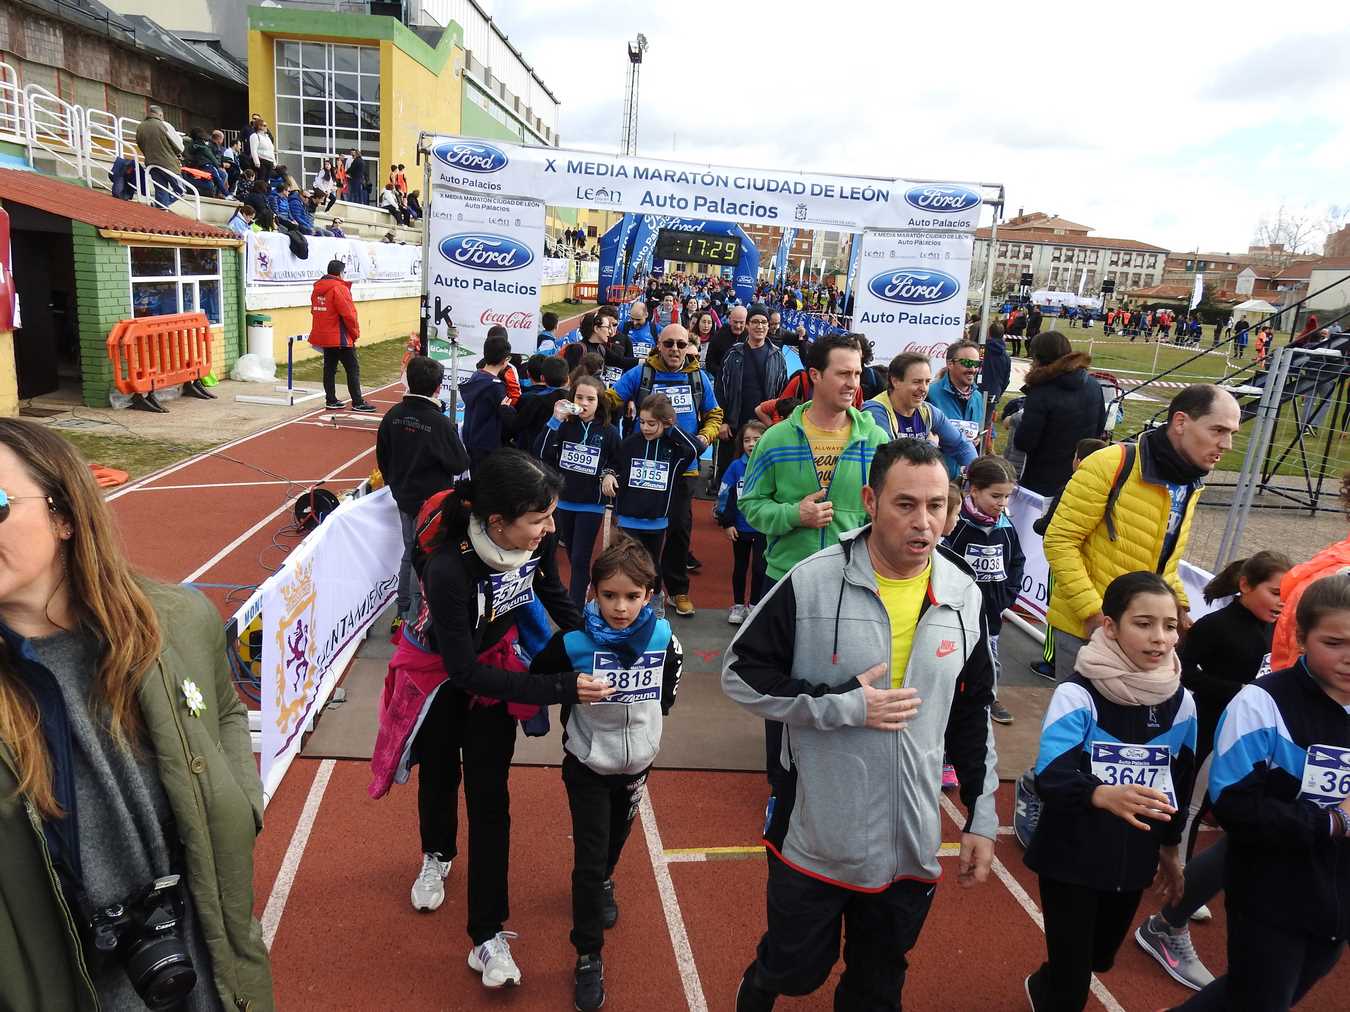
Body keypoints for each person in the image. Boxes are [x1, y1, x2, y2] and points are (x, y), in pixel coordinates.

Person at [0, 419, 274, 1010]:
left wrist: (236, 807)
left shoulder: (175, 620)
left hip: (201, 964)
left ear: (63, 515)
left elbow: (225, 710)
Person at [724, 438, 998, 1011]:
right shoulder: (811, 581)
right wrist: (844, 705)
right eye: (905, 504)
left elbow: (971, 712)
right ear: (871, 501)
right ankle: (759, 988)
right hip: (816, 834)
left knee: (877, 987)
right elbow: (740, 675)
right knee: (794, 971)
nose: (924, 522)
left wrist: (983, 811)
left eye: (937, 505)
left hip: (910, 842)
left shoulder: (964, 595)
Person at [370, 450, 614, 989]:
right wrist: (560, 686)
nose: (550, 529)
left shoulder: (536, 537)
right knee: (438, 772)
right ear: (496, 522)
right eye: (540, 520)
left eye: (551, 517)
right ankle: (436, 854)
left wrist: (586, 643)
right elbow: (462, 671)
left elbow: (551, 588)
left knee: (491, 798)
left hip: (495, 667)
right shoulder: (448, 569)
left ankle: (487, 934)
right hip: (439, 677)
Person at [1174, 572, 1350, 1011]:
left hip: (1340, 896)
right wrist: (1333, 820)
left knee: (1257, 995)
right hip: (1271, 892)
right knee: (1263, 1000)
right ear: (1301, 638)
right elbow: (1236, 808)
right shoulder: (1261, 704)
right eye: (1335, 643)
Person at [1023, 572, 1196, 1012]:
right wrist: (1101, 794)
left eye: (1170, 625)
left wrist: (1171, 850)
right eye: (1143, 623)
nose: (1160, 638)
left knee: (1100, 958)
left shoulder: (1182, 703)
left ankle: (1044, 982)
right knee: (1073, 983)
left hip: (1133, 858)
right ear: (1110, 627)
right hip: (1070, 858)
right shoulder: (1076, 694)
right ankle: (1057, 986)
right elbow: (1051, 774)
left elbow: (1180, 781)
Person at [528, 539, 682, 1011]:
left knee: (616, 842)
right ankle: (588, 954)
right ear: (592, 592)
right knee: (589, 860)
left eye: (633, 596)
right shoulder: (572, 642)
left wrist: (647, 735)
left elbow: (669, 691)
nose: (621, 607)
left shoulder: (663, 639)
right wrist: (571, 692)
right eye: (610, 595)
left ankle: (606, 880)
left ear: (649, 594)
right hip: (588, 765)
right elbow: (538, 679)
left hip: (637, 765)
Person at [1133, 550, 1290, 992]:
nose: (1282, 602)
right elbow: (1183, 672)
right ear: (1245, 586)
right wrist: (1240, 692)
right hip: (1205, 726)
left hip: (1243, 735)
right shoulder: (1215, 627)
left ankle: (1177, 869)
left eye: (1288, 594)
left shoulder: (1275, 631)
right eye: (1275, 592)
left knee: (1214, 804)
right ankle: (1177, 871)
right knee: (1193, 802)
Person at [1043, 385, 1240, 674]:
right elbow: (1060, 541)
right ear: (1181, 422)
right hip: (1088, 634)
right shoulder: (1110, 464)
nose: (1227, 444)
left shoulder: (1190, 482)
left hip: (1144, 637)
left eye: (1232, 433)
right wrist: (1093, 612)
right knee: (1081, 718)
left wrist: (1179, 608)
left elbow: (1163, 560)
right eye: (1218, 431)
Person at [740, 332, 888, 588]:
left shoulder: (876, 440)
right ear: (815, 375)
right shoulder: (776, 438)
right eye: (843, 373)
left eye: (857, 374)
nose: (853, 384)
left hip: (852, 578)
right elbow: (751, 504)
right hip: (786, 576)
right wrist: (794, 515)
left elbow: (885, 509)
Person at [607, 326, 722, 617]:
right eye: (668, 343)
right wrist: (587, 400)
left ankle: (678, 590)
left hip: (683, 469)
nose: (674, 349)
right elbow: (612, 399)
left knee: (679, 530)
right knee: (638, 531)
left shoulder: (698, 377)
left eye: (680, 344)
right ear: (659, 344)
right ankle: (640, 589)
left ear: (688, 346)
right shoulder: (641, 373)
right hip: (643, 466)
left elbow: (714, 413)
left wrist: (705, 437)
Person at [376, 355, 469, 632]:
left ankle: (403, 612)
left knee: (410, 552)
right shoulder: (439, 424)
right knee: (428, 554)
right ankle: (418, 615)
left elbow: (383, 458)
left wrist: (397, 486)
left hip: (404, 498)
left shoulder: (392, 416)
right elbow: (460, 463)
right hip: (434, 504)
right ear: (438, 387)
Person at [943, 455, 1024, 726]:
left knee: (990, 659)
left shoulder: (1005, 526)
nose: (1002, 504)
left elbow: (1016, 560)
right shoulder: (956, 525)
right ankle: (948, 700)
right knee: (954, 658)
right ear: (974, 490)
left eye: (1007, 497)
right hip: (957, 612)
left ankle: (989, 696)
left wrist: (1008, 594)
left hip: (992, 611)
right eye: (996, 496)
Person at [540, 375, 622, 607]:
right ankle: (581, 587)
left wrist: (609, 474)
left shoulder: (610, 432)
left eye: (590, 399)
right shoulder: (564, 427)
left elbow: (619, 463)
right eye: (579, 397)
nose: (584, 403)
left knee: (579, 557)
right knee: (571, 554)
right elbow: (542, 452)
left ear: (600, 403)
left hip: (591, 504)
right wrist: (554, 420)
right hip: (563, 501)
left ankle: (575, 607)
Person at [612, 394, 701, 599]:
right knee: (627, 562)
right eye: (642, 422)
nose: (645, 428)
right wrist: (608, 475)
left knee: (652, 565)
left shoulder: (674, 449)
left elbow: (697, 448)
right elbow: (615, 465)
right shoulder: (630, 443)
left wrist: (672, 430)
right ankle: (629, 598)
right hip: (628, 518)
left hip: (657, 521)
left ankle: (655, 598)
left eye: (652, 423)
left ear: (665, 423)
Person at [1014, 331, 1108, 497]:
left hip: (1042, 479)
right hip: (1080, 474)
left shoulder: (1041, 392)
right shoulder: (1094, 385)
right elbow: (1100, 427)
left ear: (1038, 358)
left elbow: (1025, 442)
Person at [862, 352, 976, 475]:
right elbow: (891, 463)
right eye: (917, 382)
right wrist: (930, 447)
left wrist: (977, 474)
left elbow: (962, 445)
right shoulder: (875, 411)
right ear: (895, 381)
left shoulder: (927, 411)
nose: (924, 389)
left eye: (927, 382)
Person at [716, 303, 788, 488]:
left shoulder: (777, 357)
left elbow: (781, 394)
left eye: (764, 322)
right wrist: (722, 420)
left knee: (762, 472)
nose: (760, 326)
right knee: (729, 470)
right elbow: (721, 389)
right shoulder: (733, 354)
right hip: (734, 422)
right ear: (747, 325)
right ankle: (724, 511)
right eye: (755, 322)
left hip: (765, 424)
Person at [715, 420, 768, 625]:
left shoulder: (770, 465)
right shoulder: (736, 466)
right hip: (740, 527)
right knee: (740, 566)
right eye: (747, 440)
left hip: (763, 526)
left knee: (760, 568)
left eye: (757, 439)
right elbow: (724, 493)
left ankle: (755, 605)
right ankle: (737, 605)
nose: (752, 444)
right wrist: (727, 522)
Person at [309, 260, 375, 412]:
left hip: (325, 336)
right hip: (340, 336)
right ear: (340, 273)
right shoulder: (339, 288)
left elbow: (314, 310)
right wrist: (355, 333)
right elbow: (349, 314)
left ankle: (331, 399)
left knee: (329, 369)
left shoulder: (317, 288)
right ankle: (358, 402)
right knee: (352, 368)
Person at [459, 330, 517, 469]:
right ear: (505, 361)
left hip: (471, 438)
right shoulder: (496, 387)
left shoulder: (476, 376)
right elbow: (509, 419)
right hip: (487, 444)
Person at [510, 354, 570, 453]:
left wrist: (506, 410)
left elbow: (517, 425)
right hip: (560, 452)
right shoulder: (573, 400)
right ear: (567, 379)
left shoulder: (535, 400)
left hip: (533, 452)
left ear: (542, 378)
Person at [134, 105, 185, 206]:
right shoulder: (164, 125)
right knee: (181, 190)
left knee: (161, 191)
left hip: (151, 163)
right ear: (160, 114)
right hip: (169, 164)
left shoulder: (140, 127)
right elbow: (178, 147)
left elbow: (139, 144)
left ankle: (160, 207)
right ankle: (160, 205)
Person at [705, 304, 748, 374]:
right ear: (730, 320)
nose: (738, 326)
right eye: (735, 322)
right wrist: (725, 374)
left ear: (746, 322)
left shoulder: (751, 336)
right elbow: (709, 363)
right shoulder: (719, 336)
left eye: (741, 322)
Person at [247, 120, 275, 184]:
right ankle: (259, 192)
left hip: (269, 161)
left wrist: (274, 161)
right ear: (259, 126)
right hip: (262, 161)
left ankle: (264, 193)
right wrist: (257, 162)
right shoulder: (255, 136)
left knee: (267, 181)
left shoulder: (267, 137)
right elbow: (253, 150)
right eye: (264, 126)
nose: (266, 127)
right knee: (261, 180)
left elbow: (271, 150)